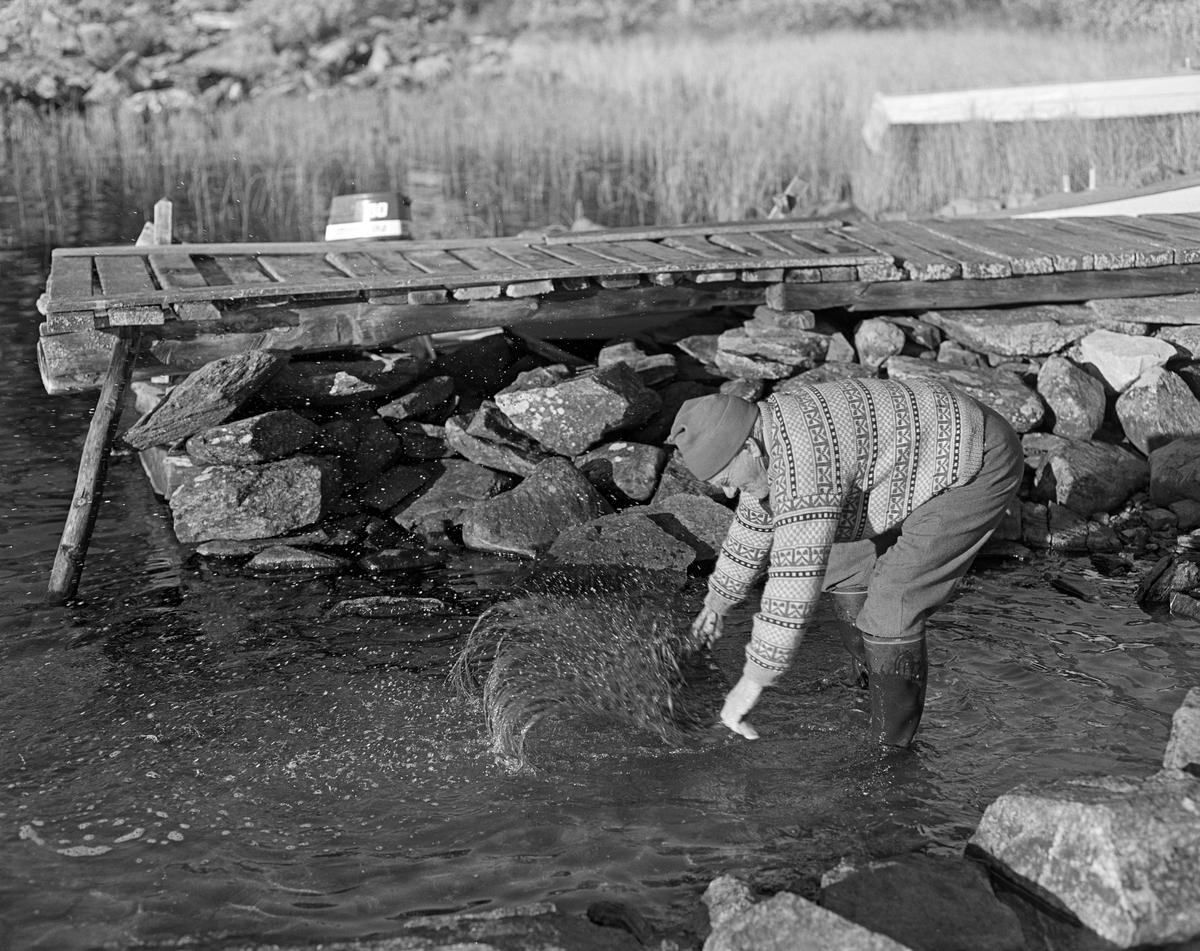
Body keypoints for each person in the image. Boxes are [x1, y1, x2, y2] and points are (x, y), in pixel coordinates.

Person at [667, 377, 1023, 747]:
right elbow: (755, 520)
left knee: (894, 599)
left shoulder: (803, 459)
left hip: (976, 459)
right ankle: (869, 686)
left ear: (750, 448)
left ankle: (890, 755)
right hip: (917, 452)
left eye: (726, 479)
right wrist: (718, 602)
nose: (727, 491)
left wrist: (751, 683)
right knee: (840, 560)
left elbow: (793, 586)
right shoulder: (768, 431)